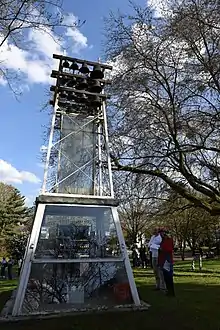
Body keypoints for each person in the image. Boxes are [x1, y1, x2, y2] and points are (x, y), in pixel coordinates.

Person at [159, 229, 175, 296]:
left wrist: (162, 249)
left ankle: (171, 292)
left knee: (169, 276)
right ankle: (168, 291)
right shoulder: (163, 241)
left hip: (167, 260)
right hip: (163, 260)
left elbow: (169, 249)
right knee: (165, 276)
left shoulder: (169, 240)